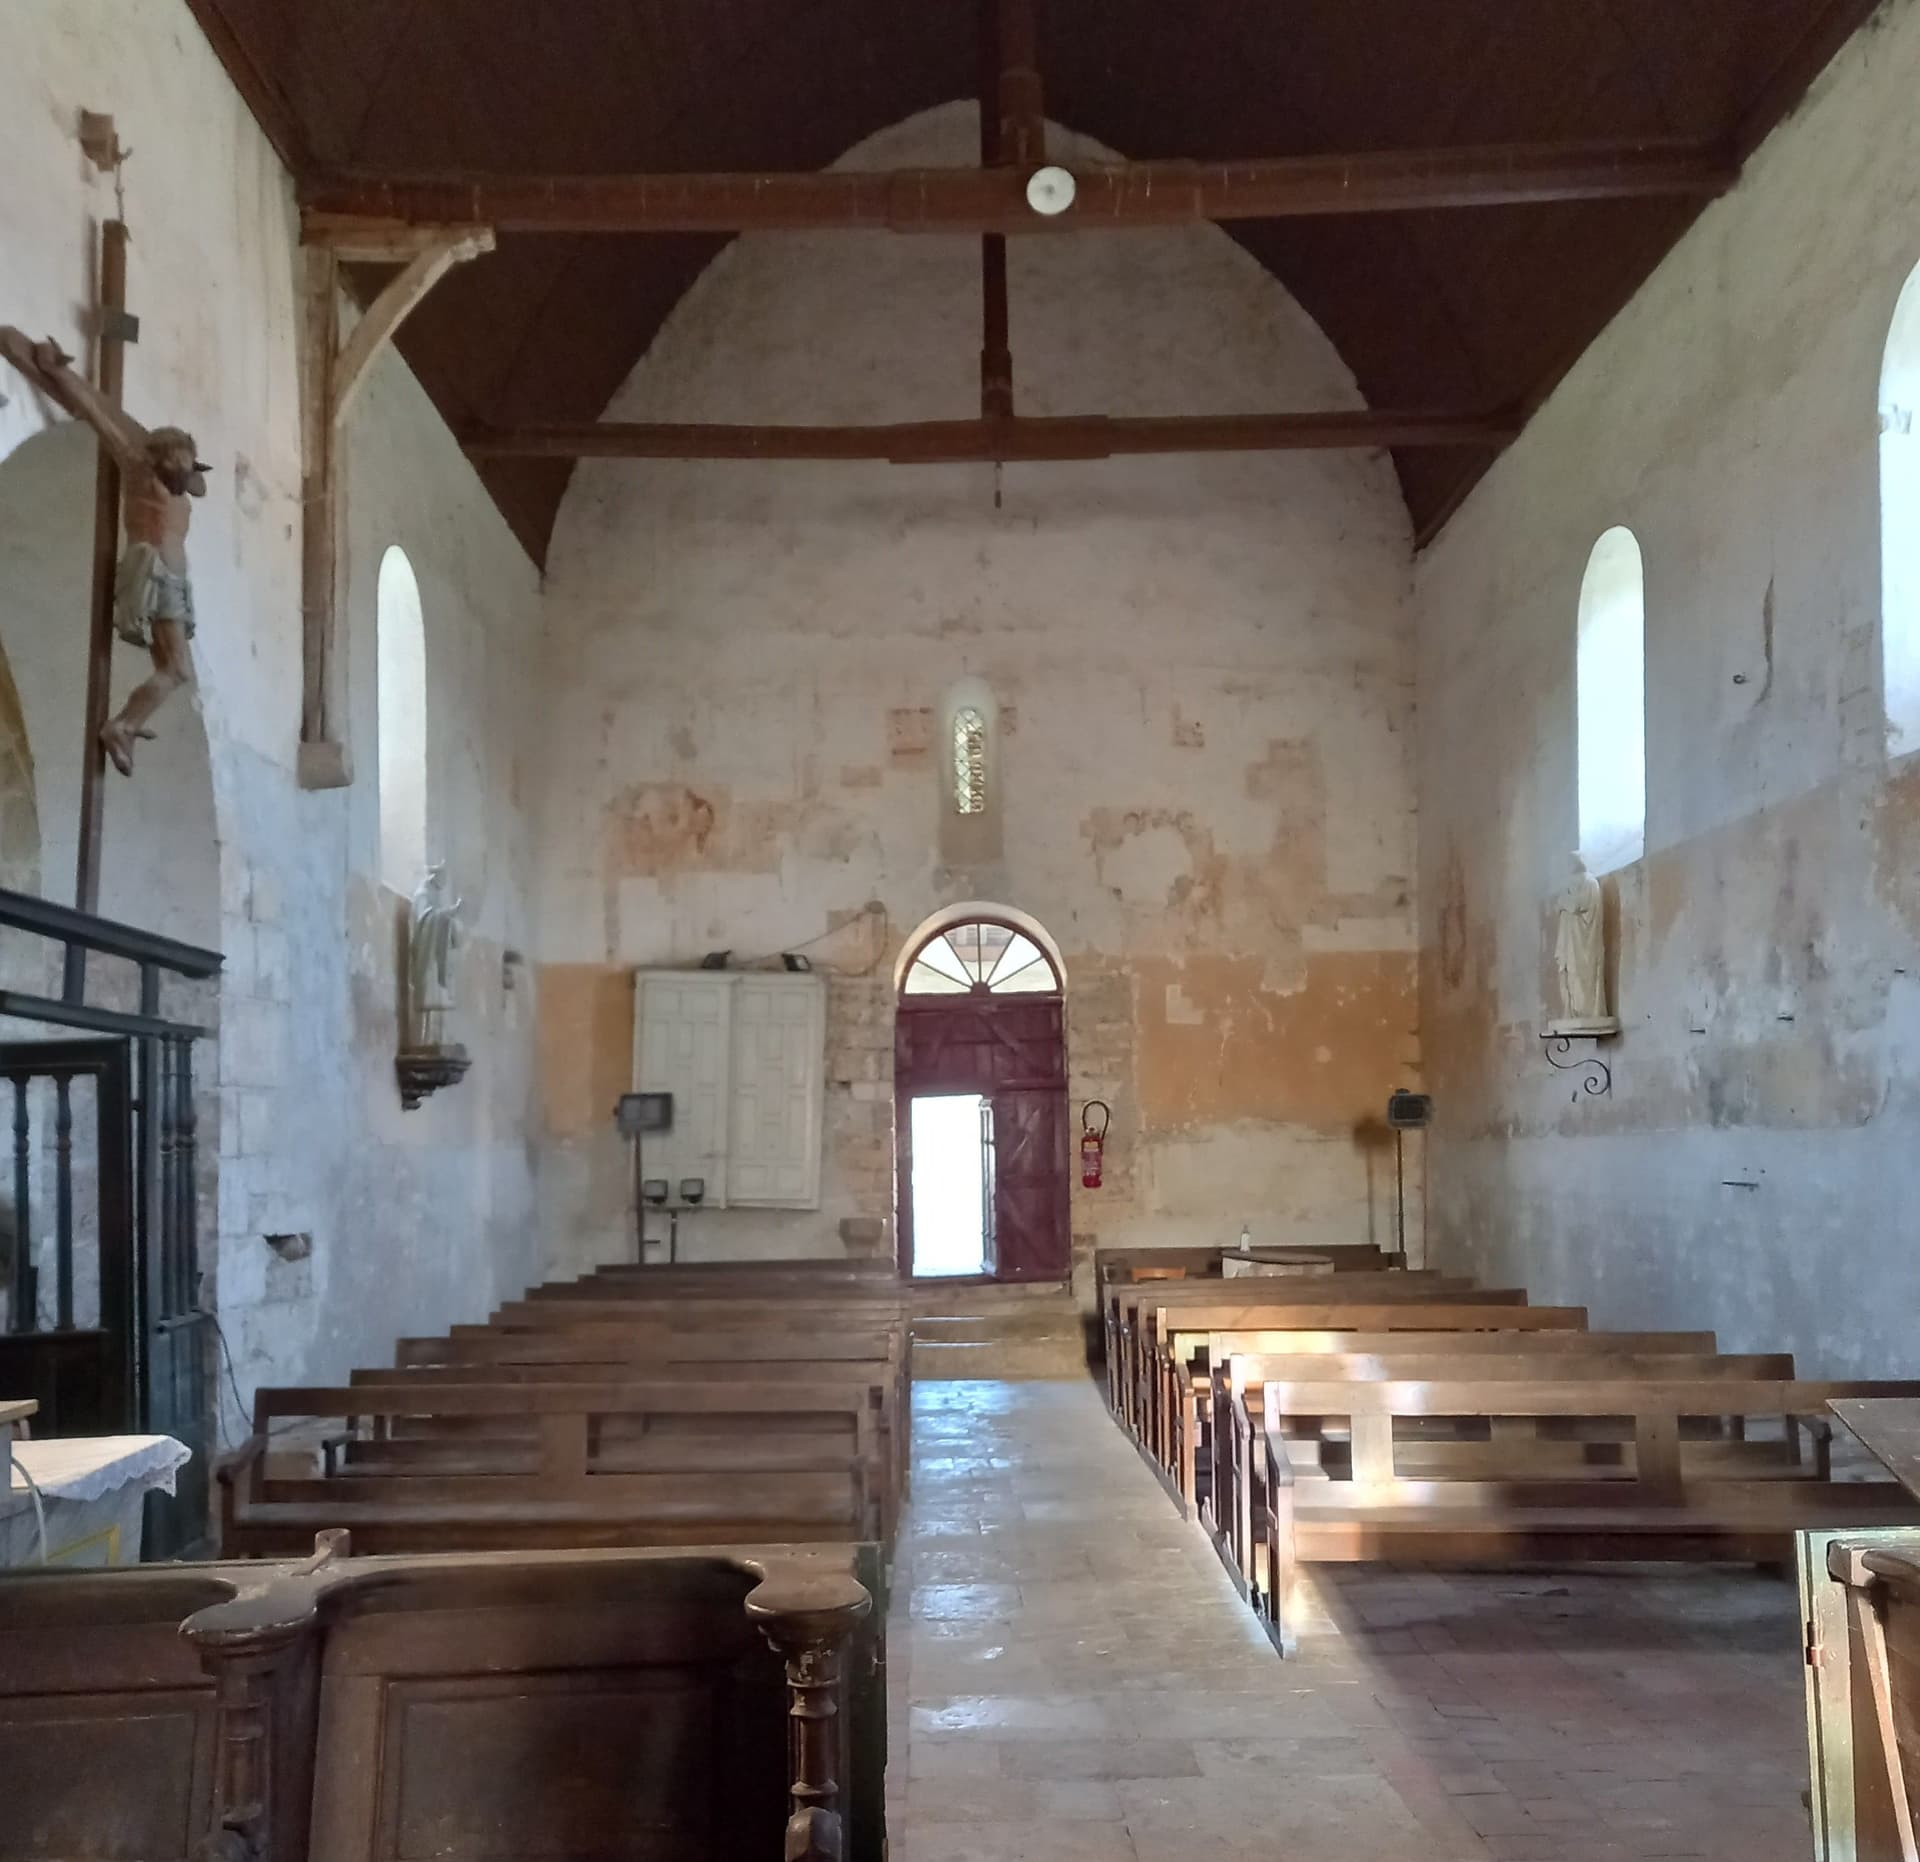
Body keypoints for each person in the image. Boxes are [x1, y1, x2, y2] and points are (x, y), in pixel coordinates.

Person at [0, 327, 208, 777]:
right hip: (153, 573)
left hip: (171, 580)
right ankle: (122, 725)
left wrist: (189, 463)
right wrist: (57, 372)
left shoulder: (177, 487)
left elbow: (200, 482)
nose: (183, 472)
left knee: (169, 668)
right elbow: (97, 414)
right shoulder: (139, 467)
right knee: (177, 671)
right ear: (160, 456)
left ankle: (127, 724)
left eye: (187, 465)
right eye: (177, 462)